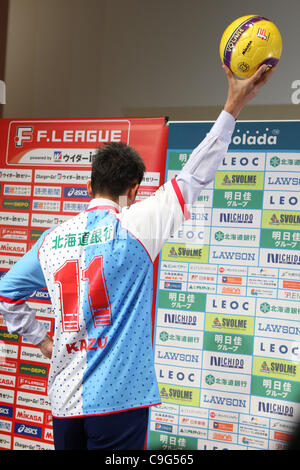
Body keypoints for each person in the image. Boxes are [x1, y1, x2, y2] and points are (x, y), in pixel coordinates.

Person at [0, 64, 276, 450]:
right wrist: (234, 102)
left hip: (64, 401)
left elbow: (7, 291)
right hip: (119, 402)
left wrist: (41, 340)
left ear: (88, 184)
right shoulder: (136, 225)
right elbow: (194, 176)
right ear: (134, 188)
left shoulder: (52, 240)